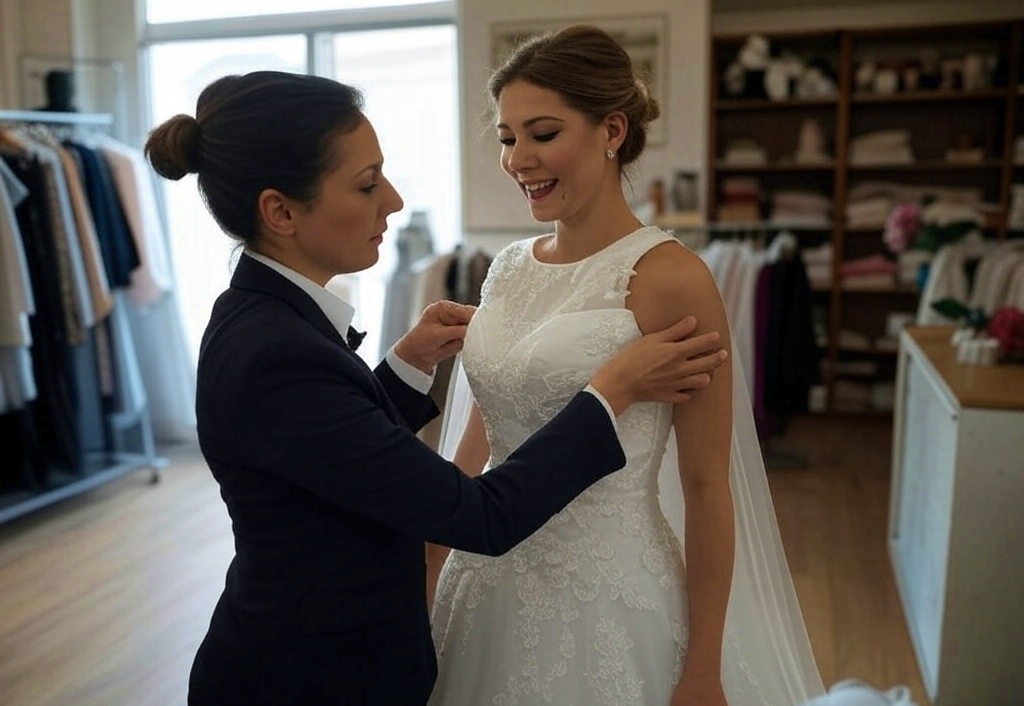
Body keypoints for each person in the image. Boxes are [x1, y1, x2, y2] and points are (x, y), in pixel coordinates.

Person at [143, 71, 729, 706]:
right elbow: (480, 514)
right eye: (367, 184)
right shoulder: (276, 351)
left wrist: (403, 365)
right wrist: (609, 391)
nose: (393, 201)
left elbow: (331, 453)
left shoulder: (262, 319)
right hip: (312, 676)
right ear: (280, 211)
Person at [426, 26, 826, 706]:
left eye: (542, 133)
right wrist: (428, 566)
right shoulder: (507, 268)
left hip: (607, 594)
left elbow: (706, 487)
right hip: (483, 579)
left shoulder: (672, 279)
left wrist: (703, 668)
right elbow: (481, 439)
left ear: (612, 130)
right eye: (506, 137)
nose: (519, 159)